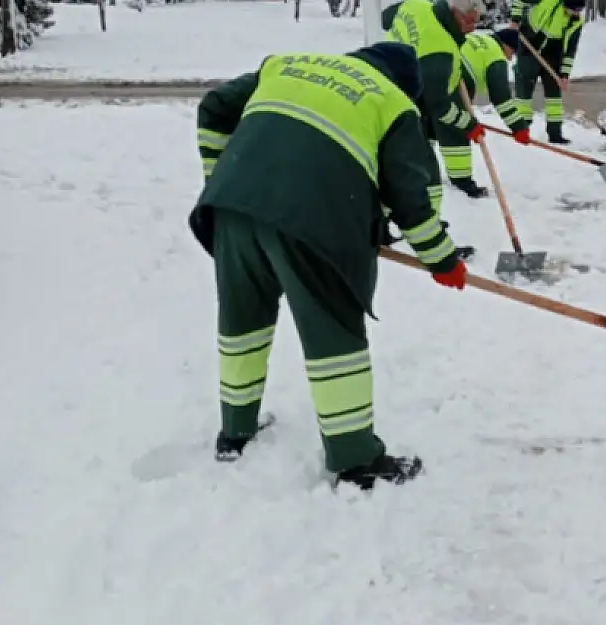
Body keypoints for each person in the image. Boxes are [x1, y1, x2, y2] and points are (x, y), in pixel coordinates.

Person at [190, 42, 467, 491]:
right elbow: (410, 199)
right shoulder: (392, 102)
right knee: (334, 334)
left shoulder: (288, 64)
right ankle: (355, 459)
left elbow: (215, 106)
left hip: (231, 207)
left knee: (243, 322)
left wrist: (221, 175)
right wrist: (442, 260)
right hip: (312, 223)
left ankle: (235, 433)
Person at [383, 0, 489, 200]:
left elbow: (386, 18)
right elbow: (438, 107)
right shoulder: (439, 51)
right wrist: (469, 124)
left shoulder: (417, 5)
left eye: (476, 22)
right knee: (422, 161)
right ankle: (424, 213)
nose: (472, 28)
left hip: (401, 71)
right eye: (468, 22)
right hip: (401, 92)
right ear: (455, 13)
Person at [436, 28, 531, 198]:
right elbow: (501, 98)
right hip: (457, 79)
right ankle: (462, 182)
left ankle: (423, 171)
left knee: (431, 122)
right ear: (505, 45)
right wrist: (519, 127)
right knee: (457, 128)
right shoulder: (496, 55)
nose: (510, 58)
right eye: (512, 52)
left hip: (435, 67)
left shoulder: (479, 39)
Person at [510, 0, 584, 144]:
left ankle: (555, 134)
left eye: (579, 10)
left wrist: (564, 75)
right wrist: (515, 20)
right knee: (524, 92)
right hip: (529, 44)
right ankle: (520, 129)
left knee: (554, 97)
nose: (575, 13)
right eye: (573, 9)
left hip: (553, 53)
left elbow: (570, 51)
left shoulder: (576, 22)